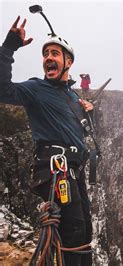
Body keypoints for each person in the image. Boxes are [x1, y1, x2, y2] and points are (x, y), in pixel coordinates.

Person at [0, 16, 93, 265]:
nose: (48, 58)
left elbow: (81, 132)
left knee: (86, 233)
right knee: (73, 233)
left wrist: (91, 112)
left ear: (68, 62)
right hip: (56, 169)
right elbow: (2, 89)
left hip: (75, 170)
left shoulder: (72, 97)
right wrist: (9, 47)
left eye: (55, 53)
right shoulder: (35, 89)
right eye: (46, 54)